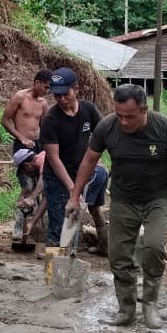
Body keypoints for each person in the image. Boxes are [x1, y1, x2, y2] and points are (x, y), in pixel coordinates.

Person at [68, 84, 167, 329]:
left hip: (159, 197)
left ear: (144, 110)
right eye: (119, 115)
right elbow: (89, 160)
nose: (124, 122)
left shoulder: (166, 128)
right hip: (123, 198)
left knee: (153, 248)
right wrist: (75, 197)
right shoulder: (107, 127)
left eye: (129, 116)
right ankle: (126, 309)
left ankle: (149, 304)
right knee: (118, 254)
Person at [39, 67, 109, 257]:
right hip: (57, 177)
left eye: (65, 94)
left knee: (74, 220)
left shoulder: (88, 110)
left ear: (76, 89)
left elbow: (104, 136)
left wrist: (101, 160)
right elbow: (54, 159)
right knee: (58, 225)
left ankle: (70, 259)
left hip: (80, 174)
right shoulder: (51, 120)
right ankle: (52, 269)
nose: (61, 99)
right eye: (57, 95)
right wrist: (72, 189)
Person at [2, 69, 52, 152]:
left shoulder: (43, 103)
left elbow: (45, 127)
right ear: (37, 82)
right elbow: (4, 120)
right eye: (46, 87)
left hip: (39, 144)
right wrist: (22, 138)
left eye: (49, 88)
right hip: (23, 144)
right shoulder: (20, 97)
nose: (47, 91)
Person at [11, 148, 46, 248]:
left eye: (25, 171)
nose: (27, 174)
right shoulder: (42, 157)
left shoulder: (43, 161)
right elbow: (47, 198)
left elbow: (43, 179)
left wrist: (32, 198)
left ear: (27, 165)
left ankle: (60, 252)